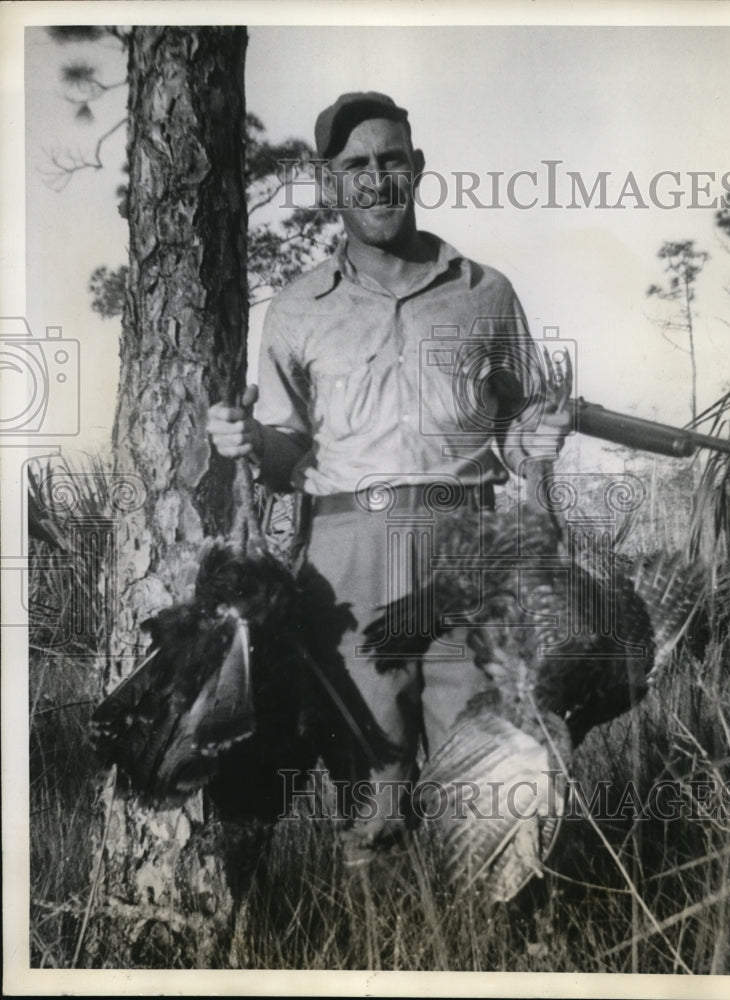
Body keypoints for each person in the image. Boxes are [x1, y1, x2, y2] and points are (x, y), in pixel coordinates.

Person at [207, 92, 571, 862]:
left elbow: (513, 429)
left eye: (390, 160)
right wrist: (244, 440)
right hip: (346, 557)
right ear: (329, 184)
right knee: (370, 789)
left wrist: (535, 441)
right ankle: (378, 952)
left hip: (466, 549)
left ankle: (495, 955)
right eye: (355, 166)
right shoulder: (300, 307)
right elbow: (287, 449)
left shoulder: (486, 293)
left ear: (417, 168)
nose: (376, 179)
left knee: (488, 772)